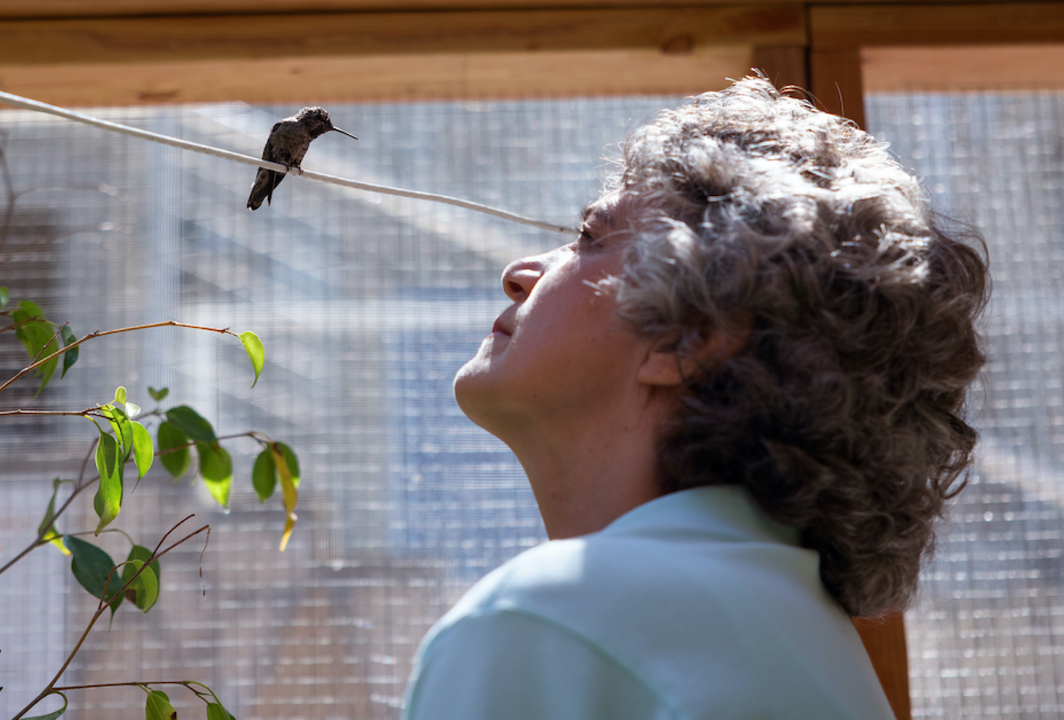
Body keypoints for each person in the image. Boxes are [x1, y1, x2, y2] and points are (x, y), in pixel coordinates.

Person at [401, 77, 988, 719]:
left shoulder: (549, 622)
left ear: (687, 338)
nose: (518, 275)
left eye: (591, 236)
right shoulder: (820, 653)